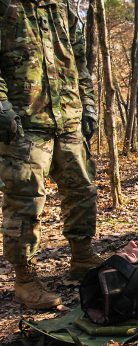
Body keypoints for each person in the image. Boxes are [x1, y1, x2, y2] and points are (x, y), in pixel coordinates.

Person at [0, 0, 101, 309]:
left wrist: (89, 104)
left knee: (82, 190)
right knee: (25, 200)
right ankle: (25, 279)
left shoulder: (61, 9)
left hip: (68, 117)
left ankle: (82, 257)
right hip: (25, 122)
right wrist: (2, 108)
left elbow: (80, 62)